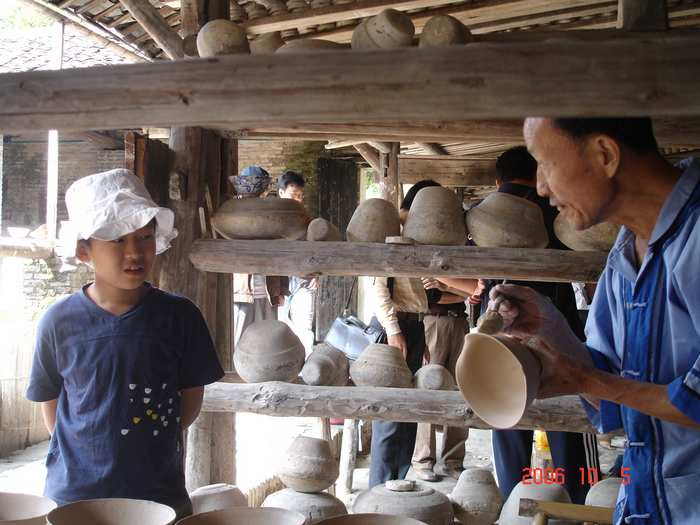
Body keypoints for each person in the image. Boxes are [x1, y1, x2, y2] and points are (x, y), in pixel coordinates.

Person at [489, 117, 700, 524]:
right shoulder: (624, 253)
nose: (543, 187)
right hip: (647, 505)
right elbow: (618, 398)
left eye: (546, 163)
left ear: (605, 154)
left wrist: (587, 381)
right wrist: (549, 330)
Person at [25, 169, 224, 518]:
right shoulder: (58, 322)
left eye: (145, 237)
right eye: (117, 240)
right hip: (75, 496)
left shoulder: (180, 317)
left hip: (158, 495)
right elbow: (51, 404)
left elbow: (189, 401)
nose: (135, 252)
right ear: (84, 251)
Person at [438, 147, 599, 504]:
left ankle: (513, 502)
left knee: (506, 413)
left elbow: (471, 274)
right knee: (569, 418)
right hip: (555, 324)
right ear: (538, 174)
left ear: (498, 180)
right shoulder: (557, 212)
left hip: (499, 326)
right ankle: (579, 501)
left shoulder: (478, 216)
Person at [400, 180, 471, 482]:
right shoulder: (413, 243)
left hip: (458, 321)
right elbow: (424, 295)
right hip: (432, 321)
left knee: (462, 390)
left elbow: (473, 290)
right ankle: (423, 460)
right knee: (427, 386)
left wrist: (444, 285)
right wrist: (449, 288)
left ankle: (453, 460)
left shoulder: (458, 244)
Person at [232, 166, 289, 346]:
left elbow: (279, 253)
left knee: (268, 342)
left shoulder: (271, 215)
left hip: (267, 289)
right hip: (243, 291)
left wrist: (281, 289)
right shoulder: (232, 214)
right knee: (240, 341)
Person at [278, 170, 317, 354]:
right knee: (280, 326)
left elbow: (314, 248)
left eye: (301, 196)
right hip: (279, 281)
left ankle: (307, 370)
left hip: (303, 281)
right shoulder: (270, 219)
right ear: (281, 193)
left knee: (304, 328)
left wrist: (317, 273)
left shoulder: (306, 220)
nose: (298, 200)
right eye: (294, 195)